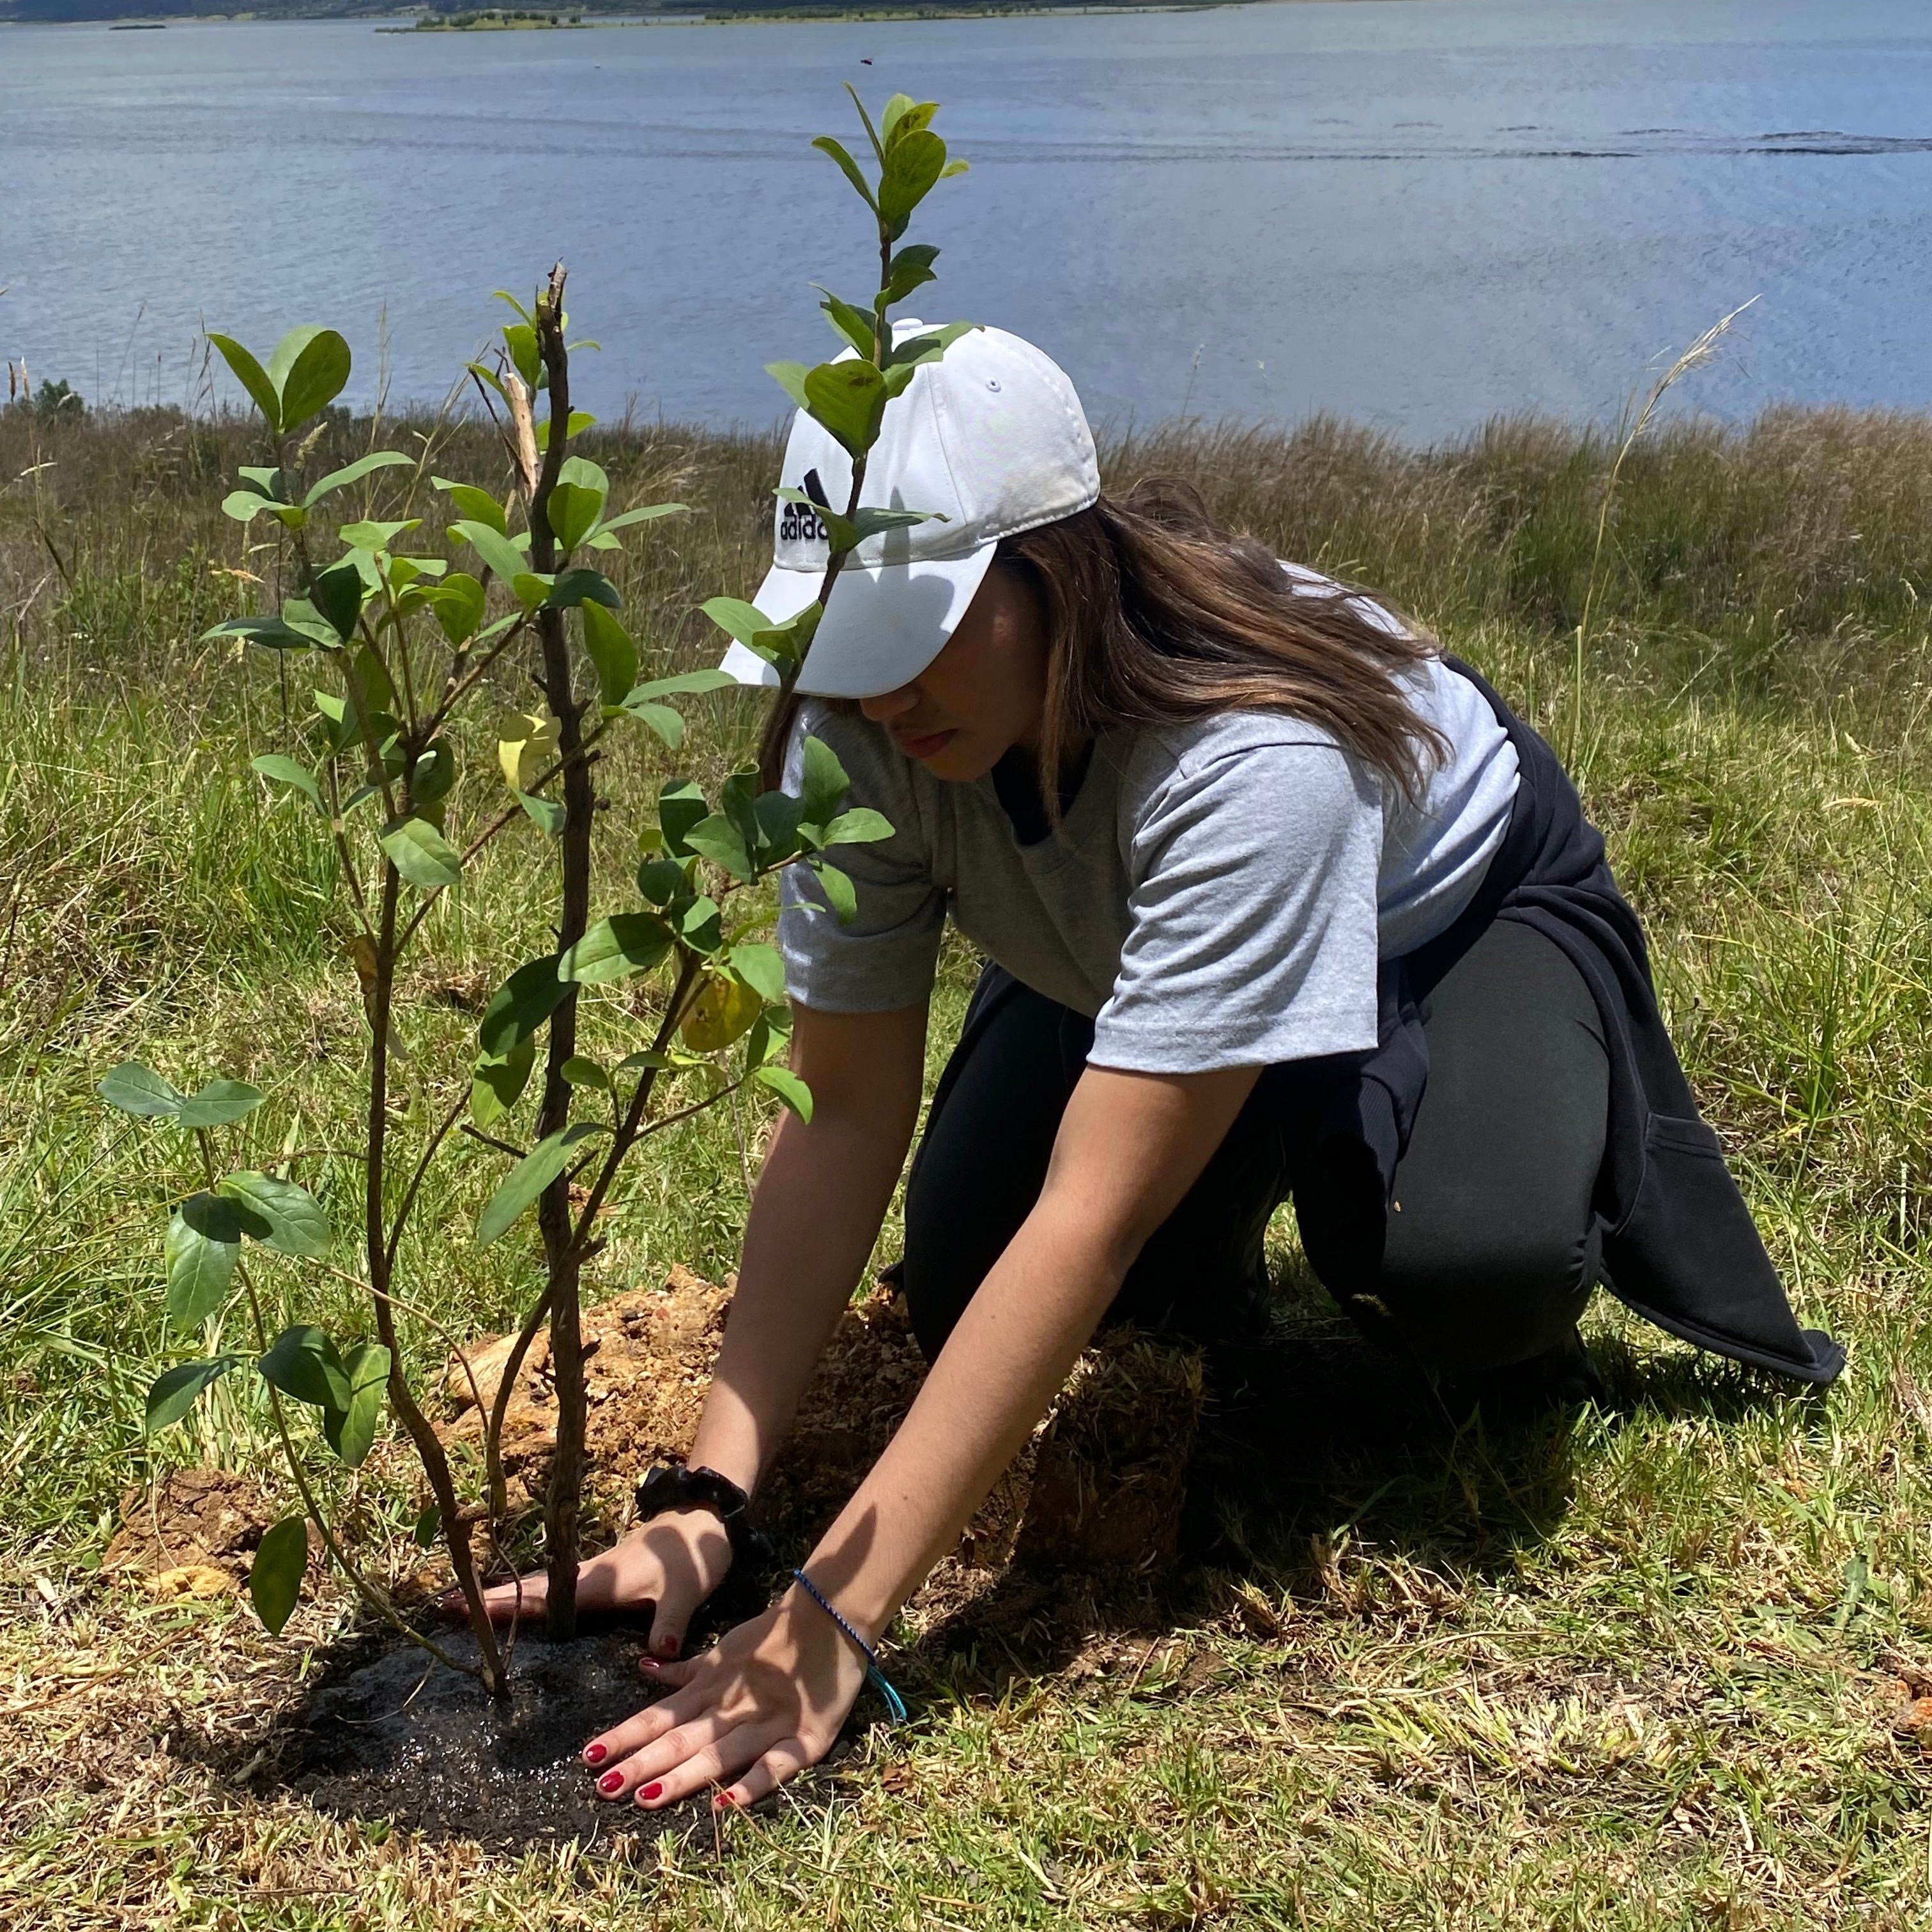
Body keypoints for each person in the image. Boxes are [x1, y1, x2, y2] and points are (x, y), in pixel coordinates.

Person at [478, 324, 1843, 1812]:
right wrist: (707, 1502)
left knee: (1464, 1274)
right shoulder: (862, 730)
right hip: (1117, 933)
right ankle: (1223, 1099)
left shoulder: (1255, 762)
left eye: (917, 633)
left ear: (1052, 569)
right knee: (963, 1275)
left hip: (1441, 921)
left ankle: (1350, 1125)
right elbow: (845, 1115)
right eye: (844, 647)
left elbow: (1090, 1218)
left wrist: (831, 1623)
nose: (881, 694)